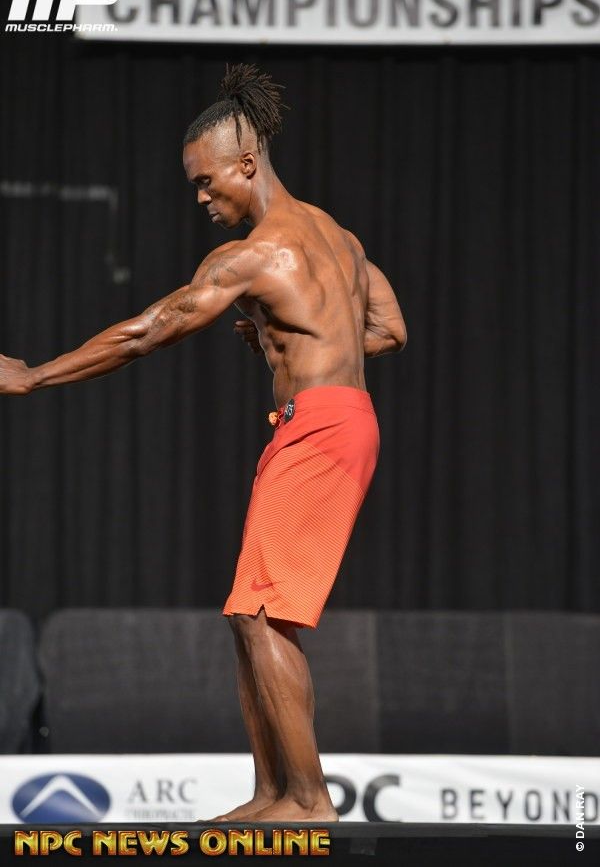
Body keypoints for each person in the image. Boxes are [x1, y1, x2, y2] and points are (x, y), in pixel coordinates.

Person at [0, 63, 407, 822]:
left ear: (246, 164)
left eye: (206, 182)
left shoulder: (252, 254)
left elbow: (147, 331)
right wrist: (301, 341)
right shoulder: (340, 238)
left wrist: (33, 375)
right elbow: (389, 330)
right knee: (247, 612)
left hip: (318, 427)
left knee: (262, 614)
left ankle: (308, 801)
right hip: (341, 418)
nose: (200, 198)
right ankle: (272, 793)